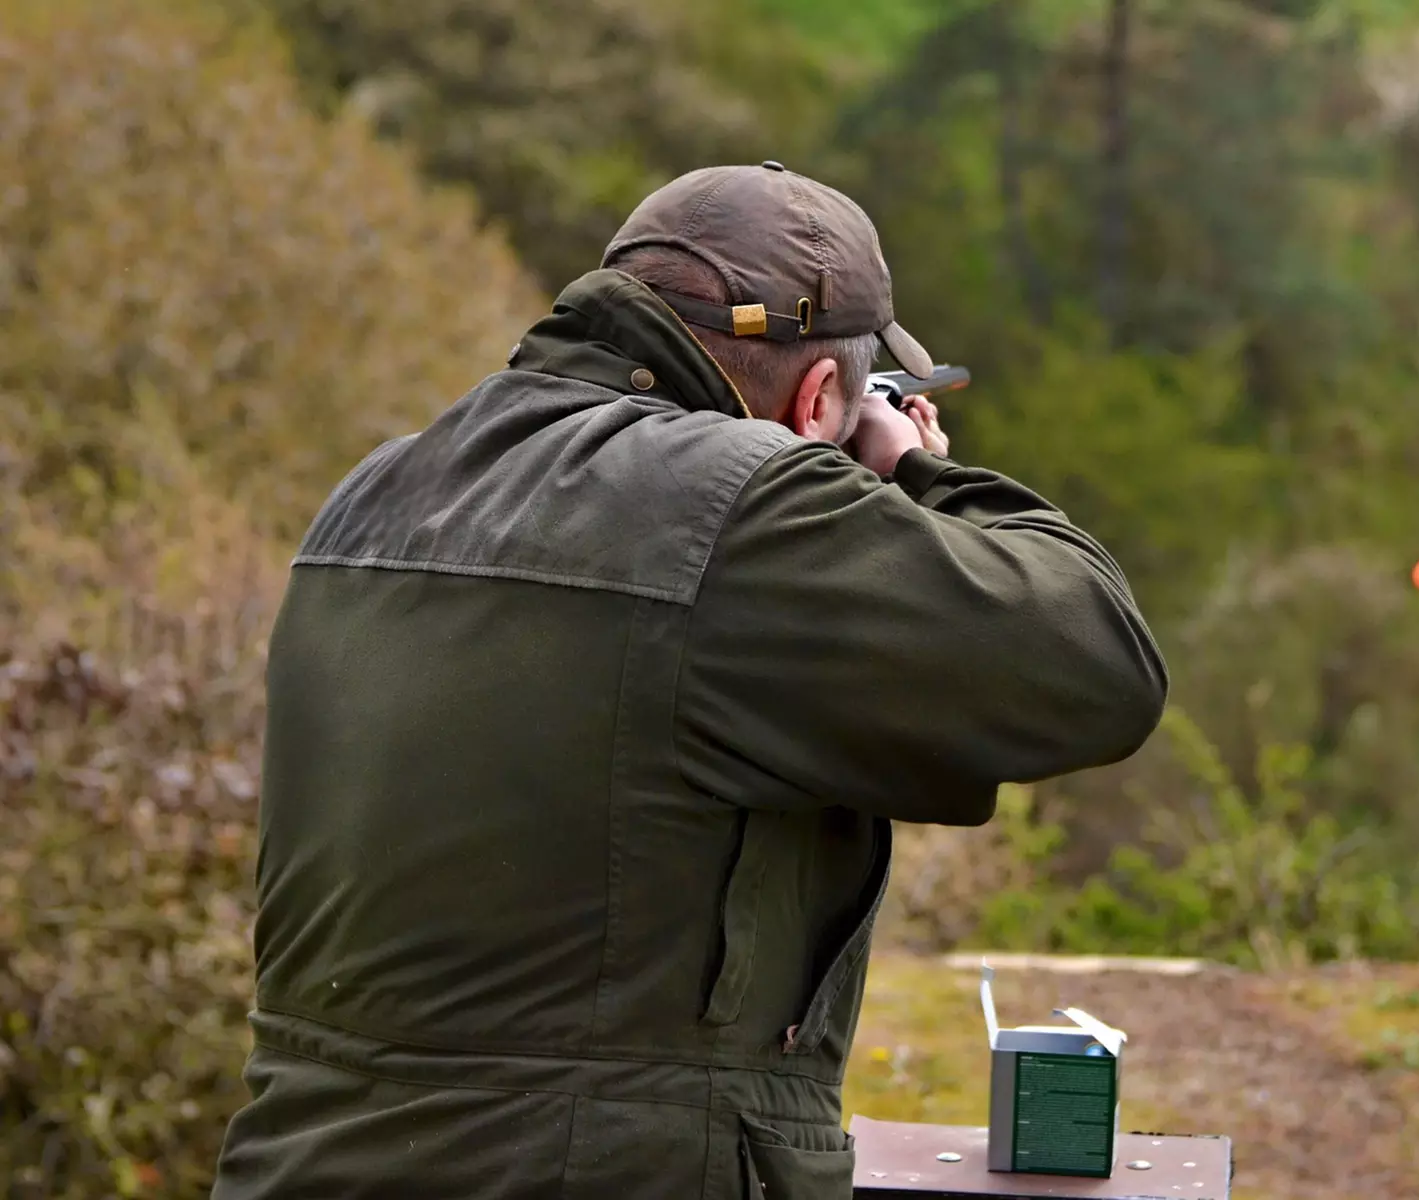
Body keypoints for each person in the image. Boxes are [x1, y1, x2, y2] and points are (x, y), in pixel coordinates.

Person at [209, 161, 1169, 1199]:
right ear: (817, 397)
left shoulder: (372, 492)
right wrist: (911, 470)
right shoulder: (739, 512)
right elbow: (1097, 662)